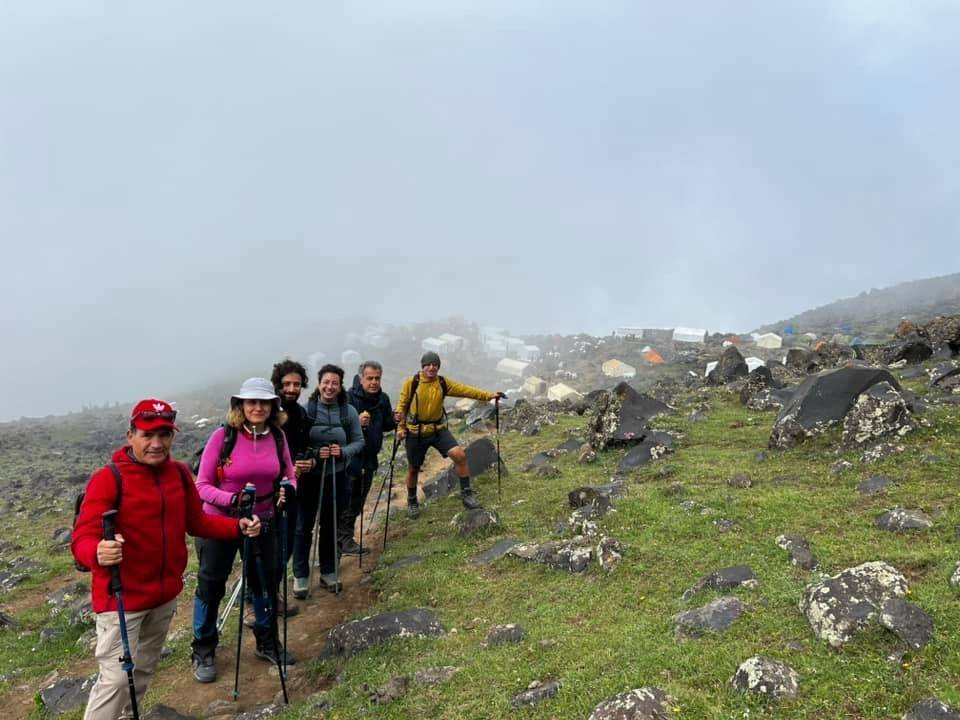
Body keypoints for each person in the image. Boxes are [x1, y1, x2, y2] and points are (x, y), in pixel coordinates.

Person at [72, 399, 262, 720]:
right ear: (130, 435)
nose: (156, 444)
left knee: (141, 673)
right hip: (122, 599)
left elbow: (196, 523)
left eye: (164, 434)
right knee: (117, 680)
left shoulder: (178, 473)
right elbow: (81, 540)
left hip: (163, 598)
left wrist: (237, 526)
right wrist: (97, 551)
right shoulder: (109, 478)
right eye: (147, 435)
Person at [190, 378, 297, 683]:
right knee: (211, 583)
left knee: (264, 582)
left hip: (262, 520)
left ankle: (266, 641)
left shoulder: (277, 438)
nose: (258, 407)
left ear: (273, 407)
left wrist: (288, 489)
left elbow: (288, 474)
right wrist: (233, 500)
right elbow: (203, 486)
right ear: (240, 405)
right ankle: (203, 648)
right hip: (220, 521)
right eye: (251, 402)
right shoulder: (222, 437)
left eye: (264, 402)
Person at [394, 351, 504, 519]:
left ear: (438, 367)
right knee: (413, 469)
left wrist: (489, 395)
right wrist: (401, 428)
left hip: (438, 430)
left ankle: (467, 495)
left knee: (460, 455)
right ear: (422, 366)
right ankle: (412, 502)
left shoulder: (442, 383)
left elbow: (466, 390)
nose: (431, 367)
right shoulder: (412, 383)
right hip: (416, 433)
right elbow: (401, 407)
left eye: (435, 365)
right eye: (428, 365)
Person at [293, 364, 364, 596]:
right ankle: (300, 576)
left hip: (337, 475)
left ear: (340, 385)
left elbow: (358, 441)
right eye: (326, 382)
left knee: (330, 525)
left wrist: (342, 451)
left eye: (335, 383)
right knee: (304, 526)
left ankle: (328, 572)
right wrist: (314, 454)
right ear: (319, 383)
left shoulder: (349, 412)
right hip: (309, 479)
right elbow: (299, 444)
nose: (330, 387)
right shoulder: (307, 411)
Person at [269, 359, 315, 615]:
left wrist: (310, 461)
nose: (292, 388)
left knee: (284, 545)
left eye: (296, 384)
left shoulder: (300, 413)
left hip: (295, 488)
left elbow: (305, 445)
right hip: (270, 490)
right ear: (278, 384)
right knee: (273, 546)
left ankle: (270, 598)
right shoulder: (269, 411)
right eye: (287, 383)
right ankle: (261, 599)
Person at [341, 360, 396, 555]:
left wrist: (395, 419)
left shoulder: (383, 399)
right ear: (361, 378)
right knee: (346, 501)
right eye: (369, 378)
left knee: (358, 500)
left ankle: (346, 541)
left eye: (377, 378)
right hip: (349, 459)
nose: (373, 382)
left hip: (370, 459)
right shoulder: (348, 398)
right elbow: (337, 425)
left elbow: (387, 425)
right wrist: (355, 421)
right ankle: (340, 541)